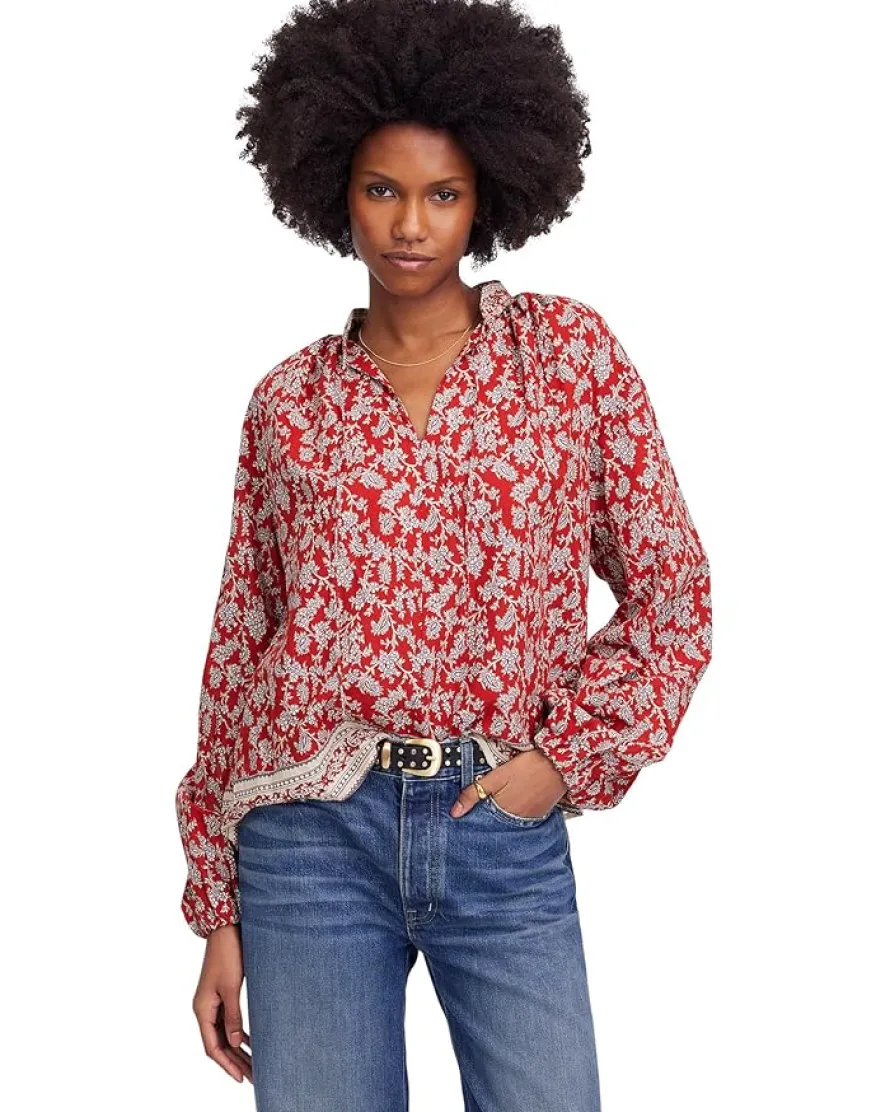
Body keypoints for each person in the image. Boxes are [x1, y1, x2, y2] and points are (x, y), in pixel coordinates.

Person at [174, 1, 713, 1108]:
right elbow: (239, 647)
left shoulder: (566, 358)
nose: (410, 225)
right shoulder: (288, 404)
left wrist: (565, 760)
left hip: (498, 821)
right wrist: (217, 905)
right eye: (382, 190)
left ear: (488, 197)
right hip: (308, 834)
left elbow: (672, 590)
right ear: (336, 191)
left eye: (442, 194)